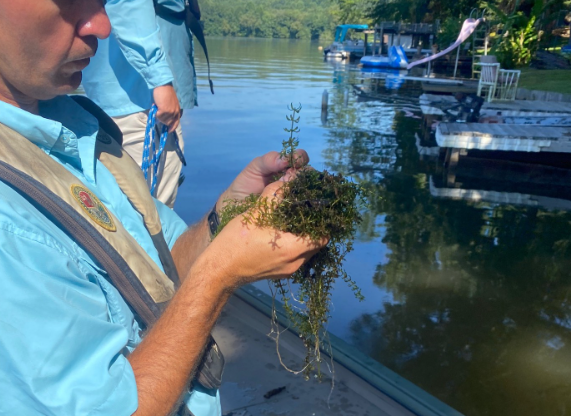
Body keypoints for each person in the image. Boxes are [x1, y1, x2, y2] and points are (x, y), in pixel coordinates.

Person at [0, 1, 324, 415]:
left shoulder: (77, 128)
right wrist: (217, 275)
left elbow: (159, 267)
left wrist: (224, 218)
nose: (102, 25)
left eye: (100, 0)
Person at [82, 0, 196, 208]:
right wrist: (159, 79)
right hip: (140, 103)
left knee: (136, 211)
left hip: (133, 101)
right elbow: (128, 4)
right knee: (151, 212)